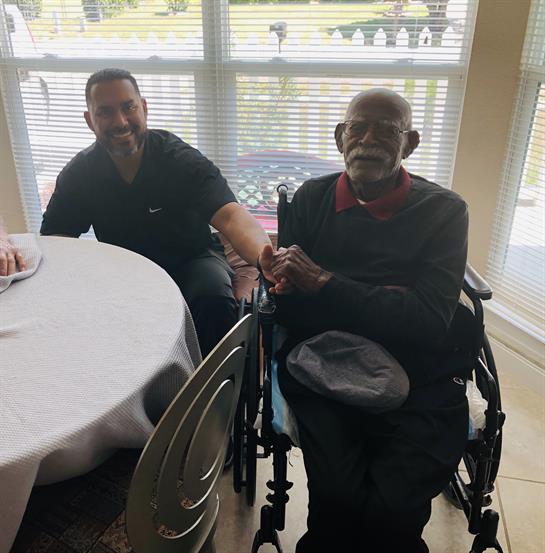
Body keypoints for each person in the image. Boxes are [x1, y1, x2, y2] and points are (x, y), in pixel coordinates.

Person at [263, 89, 471, 552]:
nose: (369, 139)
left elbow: (429, 321)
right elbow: (294, 309)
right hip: (325, 364)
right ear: (341, 136)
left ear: (410, 143)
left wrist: (325, 284)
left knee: (393, 511)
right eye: (358, 127)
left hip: (420, 372)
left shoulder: (444, 211)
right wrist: (281, 279)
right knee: (337, 501)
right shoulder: (313, 199)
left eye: (387, 129)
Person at [41, 68, 274, 356]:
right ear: (90, 120)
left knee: (213, 298)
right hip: (126, 270)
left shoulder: (179, 159)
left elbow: (230, 216)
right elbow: (56, 240)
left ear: (144, 108)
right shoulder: (80, 174)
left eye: (129, 107)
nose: (121, 122)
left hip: (192, 260)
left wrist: (267, 259)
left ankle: (218, 394)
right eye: (105, 112)